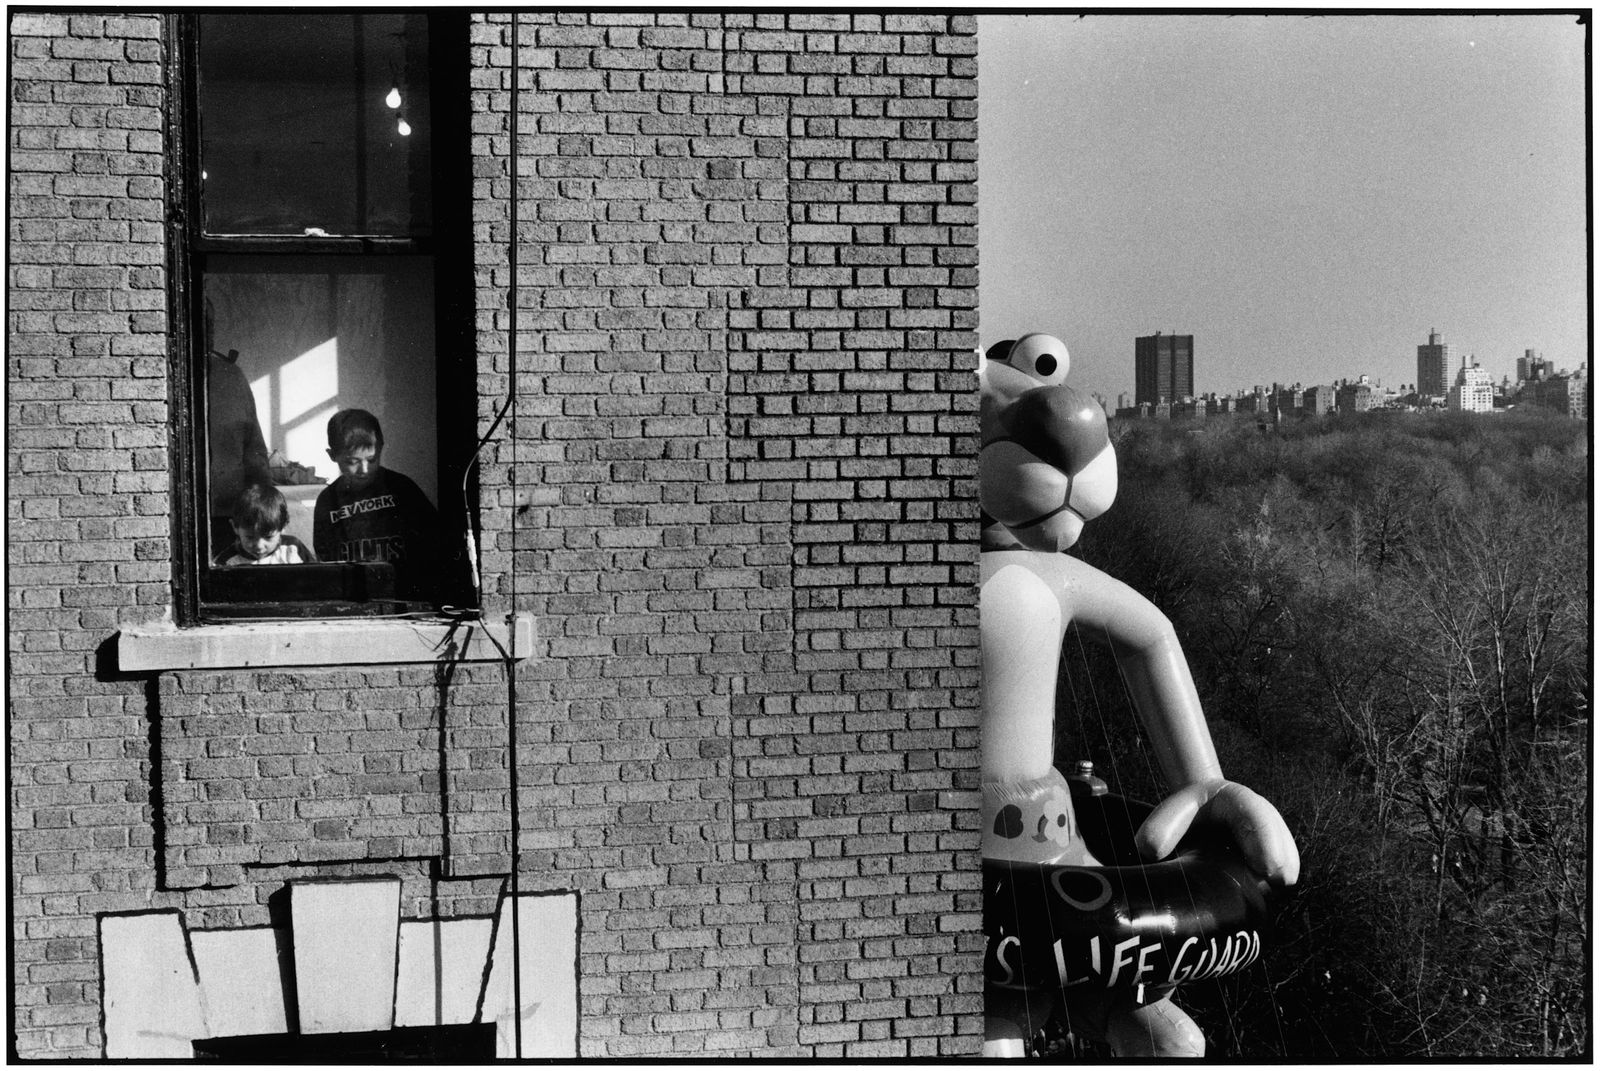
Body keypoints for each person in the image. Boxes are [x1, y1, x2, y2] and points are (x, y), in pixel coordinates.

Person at [313, 408, 439, 597]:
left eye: (371, 460)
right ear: (332, 455)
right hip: (354, 593)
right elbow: (324, 556)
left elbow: (434, 539)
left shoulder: (401, 488)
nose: (364, 469)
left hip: (404, 590)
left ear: (381, 447)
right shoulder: (327, 500)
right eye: (352, 461)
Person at [206, 346, 272, 561]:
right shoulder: (231, 375)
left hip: (231, 513)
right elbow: (255, 455)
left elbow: (254, 454)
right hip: (231, 511)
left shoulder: (231, 375)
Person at [212, 482, 314, 566]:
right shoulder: (226, 562)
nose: (259, 546)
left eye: (268, 537)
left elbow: (317, 578)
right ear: (235, 527)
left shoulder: (292, 549)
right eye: (250, 537)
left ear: (282, 527)